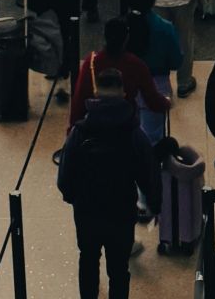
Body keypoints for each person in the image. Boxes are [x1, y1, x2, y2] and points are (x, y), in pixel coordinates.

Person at [56, 67, 160, 299]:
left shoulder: (80, 132)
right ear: (123, 93)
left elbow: (65, 174)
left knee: (88, 260)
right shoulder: (134, 134)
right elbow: (149, 173)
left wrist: (73, 197)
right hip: (121, 211)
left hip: (87, 211)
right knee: (119, 269)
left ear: (96, 93)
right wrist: (155, 203)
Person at [70, 16, 171, 134]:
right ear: (126, 38)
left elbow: (78, 101)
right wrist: (166, 102)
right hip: (126, 128)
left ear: (105, 36)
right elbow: (153, 101)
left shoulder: (91, 63)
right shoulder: (136, 65)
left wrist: (72, 131)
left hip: (96, 127)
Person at [124, 0, 184, 142]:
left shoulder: (121, 27)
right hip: (157, 86)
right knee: (154, 140)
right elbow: (176, 62)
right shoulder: (165, 27)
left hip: (126, 85)